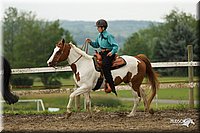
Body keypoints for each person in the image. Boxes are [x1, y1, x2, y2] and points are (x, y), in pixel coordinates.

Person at [85, 19, 119, 96]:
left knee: (105, 66)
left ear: (103, 28)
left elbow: (115, 46)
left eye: (98, 27)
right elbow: (96, 45)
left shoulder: (108, 36)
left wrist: (112, 52)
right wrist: (90, 42)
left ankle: (111, 85)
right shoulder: (99, 36)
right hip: (102, 53)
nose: (97, 29)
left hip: (108, 53)